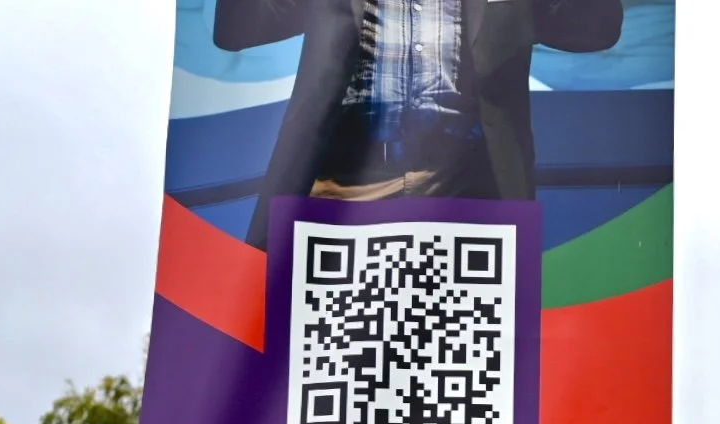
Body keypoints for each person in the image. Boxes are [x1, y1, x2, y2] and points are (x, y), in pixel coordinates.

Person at [212, 0, 626, 250]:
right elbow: (236, 27)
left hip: (470, 189)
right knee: (325, 370)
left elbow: (597, 28)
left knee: (468, 376)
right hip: (343, 188)